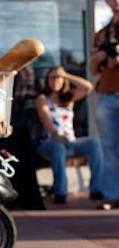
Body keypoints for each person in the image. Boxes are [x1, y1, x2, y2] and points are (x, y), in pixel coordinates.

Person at [36, 66, 103, 204]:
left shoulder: (69, 98)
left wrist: (66, 75)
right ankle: (60, 192)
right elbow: (45, 117)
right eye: (52, 77)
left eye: (58, 77)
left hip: (71, 142)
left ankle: (96, 189)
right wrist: (55, 134)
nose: (54, 81)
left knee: (94, 143)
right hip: (50, 143)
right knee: (58, 147)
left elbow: (88, 87)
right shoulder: (43, 98)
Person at [89, 0, 119, 210]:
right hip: (107, 93)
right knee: (108, 147)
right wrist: (101, 56)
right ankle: (112, 194)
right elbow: (92, 68)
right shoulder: (103, 32)